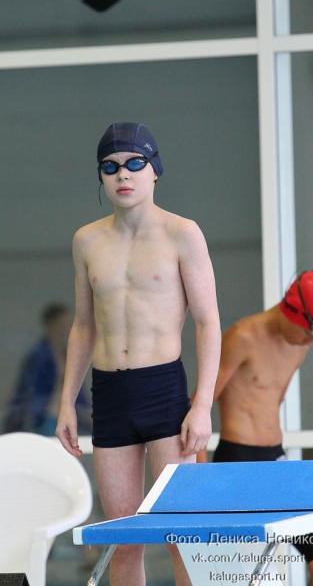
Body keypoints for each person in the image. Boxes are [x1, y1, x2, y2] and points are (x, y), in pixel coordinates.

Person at [55, 122, 221, 586]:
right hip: (109, 394)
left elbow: (208, 323)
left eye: (134, 163)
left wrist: (202, 406)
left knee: (180, 535)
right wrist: (67, 402)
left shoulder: (182, 233)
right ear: (100, 176)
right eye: (110, 167)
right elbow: (83, 326)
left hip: (163, 390)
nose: (122, 174)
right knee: (123, 541)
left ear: (154, 170)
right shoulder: (87, 240)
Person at [195, 270, 313, 586]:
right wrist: (203, 483)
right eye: (309, 331)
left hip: (276, 464)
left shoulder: (299, 342)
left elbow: (275, 400)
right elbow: (197, 411)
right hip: (238, 465)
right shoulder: (242, 337)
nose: (310, 340)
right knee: (247, 575)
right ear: (293, 311)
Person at [2, 303, 92, 436]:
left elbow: (78, 391)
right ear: (50, 325)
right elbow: (30, 393)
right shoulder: (38, 357)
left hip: (66, 414)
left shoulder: (67, 355)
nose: (65, 329)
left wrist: (86, 413)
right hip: (43, 418)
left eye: (67, 325)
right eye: (61, 324)